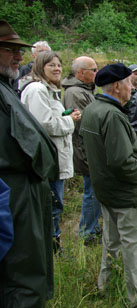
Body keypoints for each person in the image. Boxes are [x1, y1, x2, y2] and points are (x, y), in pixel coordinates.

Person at [0, 19, 59, 307]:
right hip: (12, 195)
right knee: (20, 272)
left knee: (29, 267)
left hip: (26, 191)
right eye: (10, 49)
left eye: (19, 50)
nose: (18, 57)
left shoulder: (6, 88)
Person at [80, 63, 137, 307]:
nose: (133, 87)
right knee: (134, 247)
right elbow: (122, 161)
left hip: (105, 191)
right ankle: (134, 299)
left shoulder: (93, 109)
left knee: (111, 242)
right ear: (118, 86)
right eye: (130, 82)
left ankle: (105, 287)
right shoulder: (112, 115)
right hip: (125, 194)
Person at [20, 51, 80, 253]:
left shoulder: (50, 91)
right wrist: (69, 121)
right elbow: (44, 124)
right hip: (47, 160)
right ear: (39, 67)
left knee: (54, 205)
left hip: (55, 158)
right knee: (51, 205)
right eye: (51, 65)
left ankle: (53, 245)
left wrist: (65, 116)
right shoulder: (37, 90)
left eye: (59, 65)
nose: (57, 69)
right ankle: (50, 248)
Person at [62, 56, 102, 245]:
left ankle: (93, 227)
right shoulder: (75, 92)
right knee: (92, 190)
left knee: (95, 189)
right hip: (84, 148)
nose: (96, 72)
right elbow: (83, 123)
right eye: (93, 69)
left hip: (89, 147)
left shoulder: (85, 90)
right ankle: (87, 233)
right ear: (80, 72)